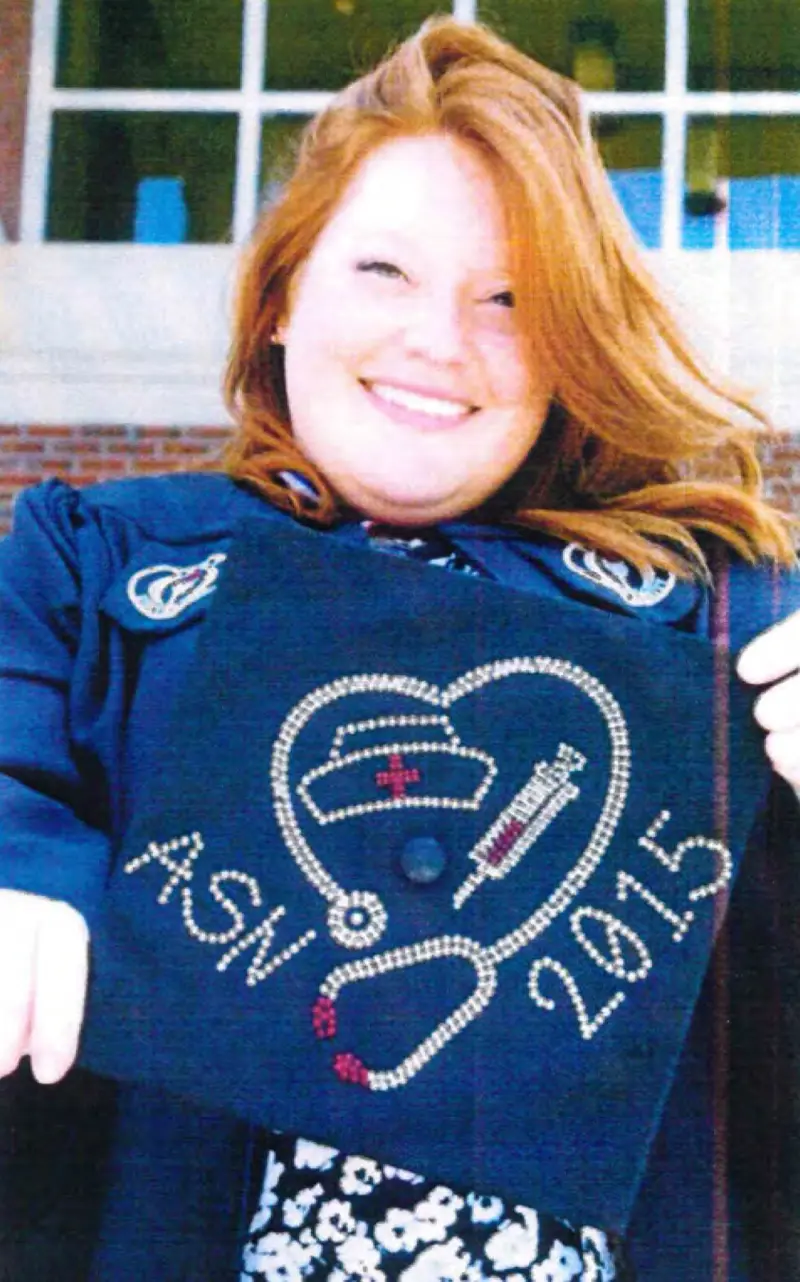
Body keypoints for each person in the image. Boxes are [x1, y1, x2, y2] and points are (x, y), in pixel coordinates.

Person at [1, 16, 799, 1282]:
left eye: (508, 298)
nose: (439, 339)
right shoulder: (86, 567)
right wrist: (16, 868)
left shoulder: (722, 626)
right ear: (279, 299)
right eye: (383, 271)